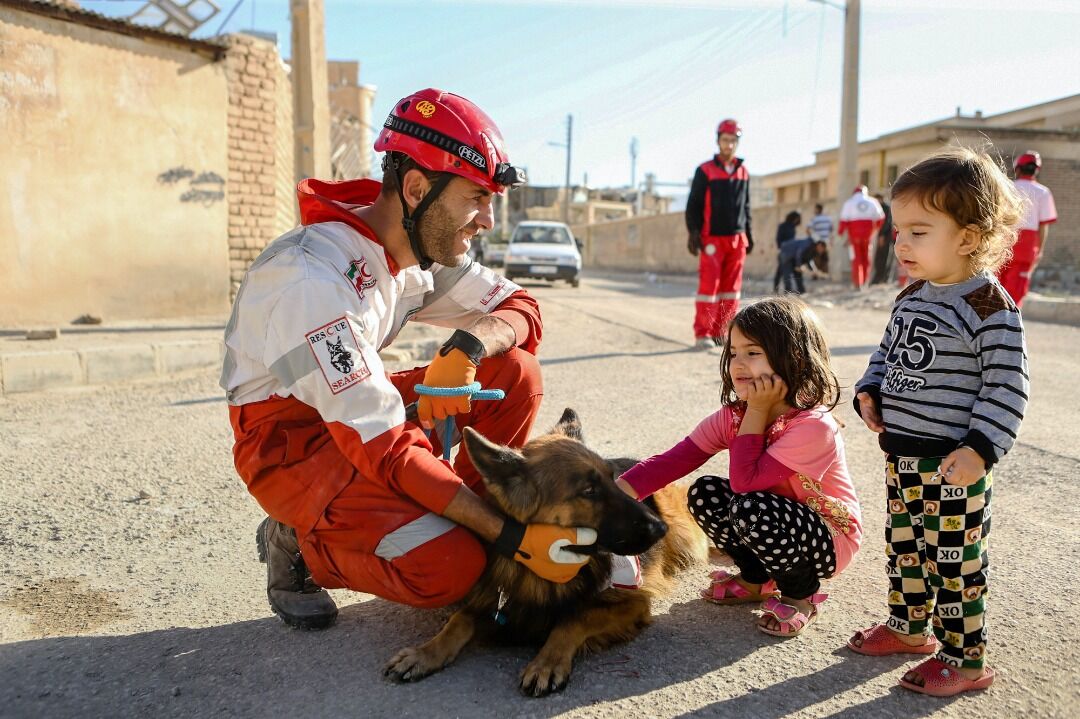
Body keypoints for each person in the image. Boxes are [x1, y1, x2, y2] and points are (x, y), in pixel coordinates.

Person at [220, 89, 596, 630]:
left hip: (354, 411)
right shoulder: (309, 281)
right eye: (476, 198)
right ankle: (299, 540)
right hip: (294, 444)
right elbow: (388, 445)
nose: (487, 220)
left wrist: (468, 345)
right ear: (418, 188)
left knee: (515, 372)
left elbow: (522, 307)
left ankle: (460, 515)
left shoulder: (416, 251)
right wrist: (512, 537)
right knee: (452, 570)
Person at [848, 147, 1028, 697]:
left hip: (954, 465)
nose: (900, 243)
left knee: (954, 567)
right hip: (901, 457)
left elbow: (1006, 386)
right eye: (897, 230)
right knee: (904, 551)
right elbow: (888, 354)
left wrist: (981, 448)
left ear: (969, 238)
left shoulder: (988, 306)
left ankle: (965, 659)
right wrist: (869, 390)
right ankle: (908, 629)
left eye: (919, 232)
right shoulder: (911, 295)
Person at [616, 297, 861, 638]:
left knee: (748, 505)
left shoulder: (813, 426)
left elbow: (746, 483)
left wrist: (757, 413)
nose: (739, 364)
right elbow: (674, 460)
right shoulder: (736, 416)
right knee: (704, 493)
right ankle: (757, 578)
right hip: (769, 521)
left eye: (753, 353)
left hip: (826, 538)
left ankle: (801, 594)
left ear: (794, 357)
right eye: (733, 353)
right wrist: (614, 495)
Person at [686, 118, 754, 349]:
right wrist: (694, 232)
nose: (729, 145)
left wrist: (749, 235)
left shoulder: (743, 172)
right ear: (718, 141)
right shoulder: (705, 171)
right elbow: (693, 204)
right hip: (712, 238)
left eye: (733, 141)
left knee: (731, 291)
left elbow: (746, 206)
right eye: (725, 140)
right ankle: (702, 333)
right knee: (709, 288)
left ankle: (721, 333)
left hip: (737, 239)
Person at [996, 150, 1057, 307]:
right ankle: (1009, 323)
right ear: (1037, 170)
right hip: (1027, 246)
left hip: (1004, 241)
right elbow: (1043, 225)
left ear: (1018, 169)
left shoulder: (1007, 187)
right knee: (1016, 290)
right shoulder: (1043, 192)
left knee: (996, 284)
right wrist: (1039, 250)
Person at [837, 185, 885, 290]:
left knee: (856, 260)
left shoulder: (849, 203)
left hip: (854, 238)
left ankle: (857, 283)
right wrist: (875, 230)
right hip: (868, 237)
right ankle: (865, 282)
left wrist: (839, 235)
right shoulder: (873, 201)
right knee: (866, 259)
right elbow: (881, 218)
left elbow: (843, 222)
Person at [772, 211, 801, 293]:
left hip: (790, 253)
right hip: (784, 252)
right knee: (782, 272)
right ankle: (782, 289)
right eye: (797, 219)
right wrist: (781, 248)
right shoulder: (783, 226)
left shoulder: (793, 228)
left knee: (782, 271)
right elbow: (778, 239)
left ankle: (781, 289)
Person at [869, 193, 894, 285]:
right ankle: (879, 278)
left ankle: (882, 278)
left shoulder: (886, 208)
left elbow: (887, 223)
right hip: (880, 236)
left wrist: (882, 236)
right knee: (879, 257)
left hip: (885, 236)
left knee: (884, 257)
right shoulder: (879, 208)